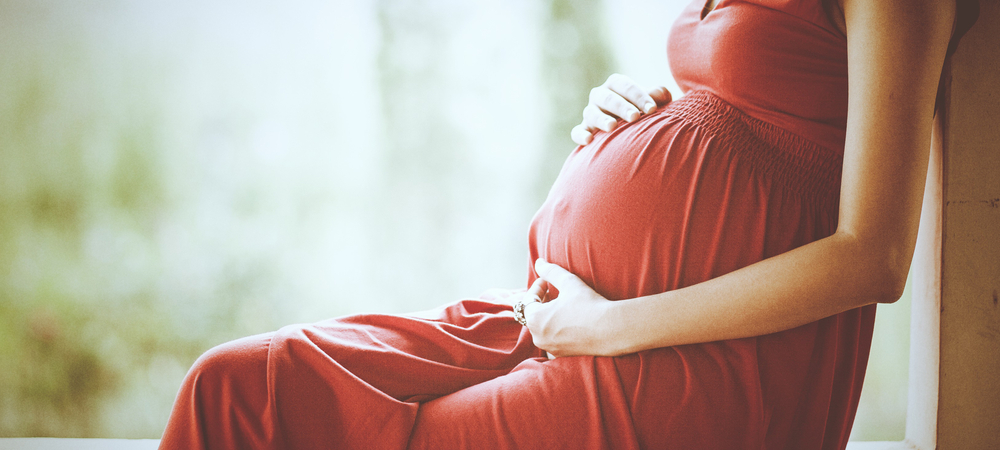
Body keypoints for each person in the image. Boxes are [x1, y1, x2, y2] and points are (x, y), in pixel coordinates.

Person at [158, 0, 979, 448]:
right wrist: (631, 111)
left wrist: (609, 326)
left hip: (698, 370)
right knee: (240, 387)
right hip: (567, 323)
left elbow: (874, 255)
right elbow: (748, 106)